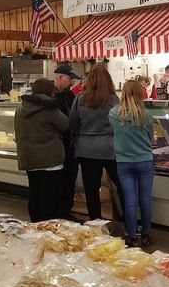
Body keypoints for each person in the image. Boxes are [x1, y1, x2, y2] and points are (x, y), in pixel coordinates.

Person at [70, 65, 122, 221]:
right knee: (122, 186)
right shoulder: (113, 100)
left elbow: (73, 123)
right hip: (111, 148)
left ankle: (95, 224)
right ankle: (129, 223)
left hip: (86, 149)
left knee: (91, 189)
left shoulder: (80, 99)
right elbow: (120, 123)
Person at [15, 78, 69, 222]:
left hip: (29, 158)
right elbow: (65, 124)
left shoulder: (21, 108)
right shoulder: (50, 108)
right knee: (48, 198)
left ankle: (35, 225)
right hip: (49, 160)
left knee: (34, 193)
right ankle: (47, 228)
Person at [109, 79, 155, 247]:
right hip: (144, 161)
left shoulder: (114, 114)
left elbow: (114, 132)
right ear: (140, 94)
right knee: (145, 199)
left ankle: (131, 235)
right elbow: (150, 138)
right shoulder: (146, 115)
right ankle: (146, 235)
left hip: (123, 162)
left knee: (129, 200)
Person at [53, 63, 81, 219]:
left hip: (71, 147)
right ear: (59, 77)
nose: (71, 82)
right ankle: (58, 213)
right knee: (60, 182)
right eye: (69, 79)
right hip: (58, 147)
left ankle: (66, 211)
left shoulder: (70, 96)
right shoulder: (50, 96)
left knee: (70, 181)